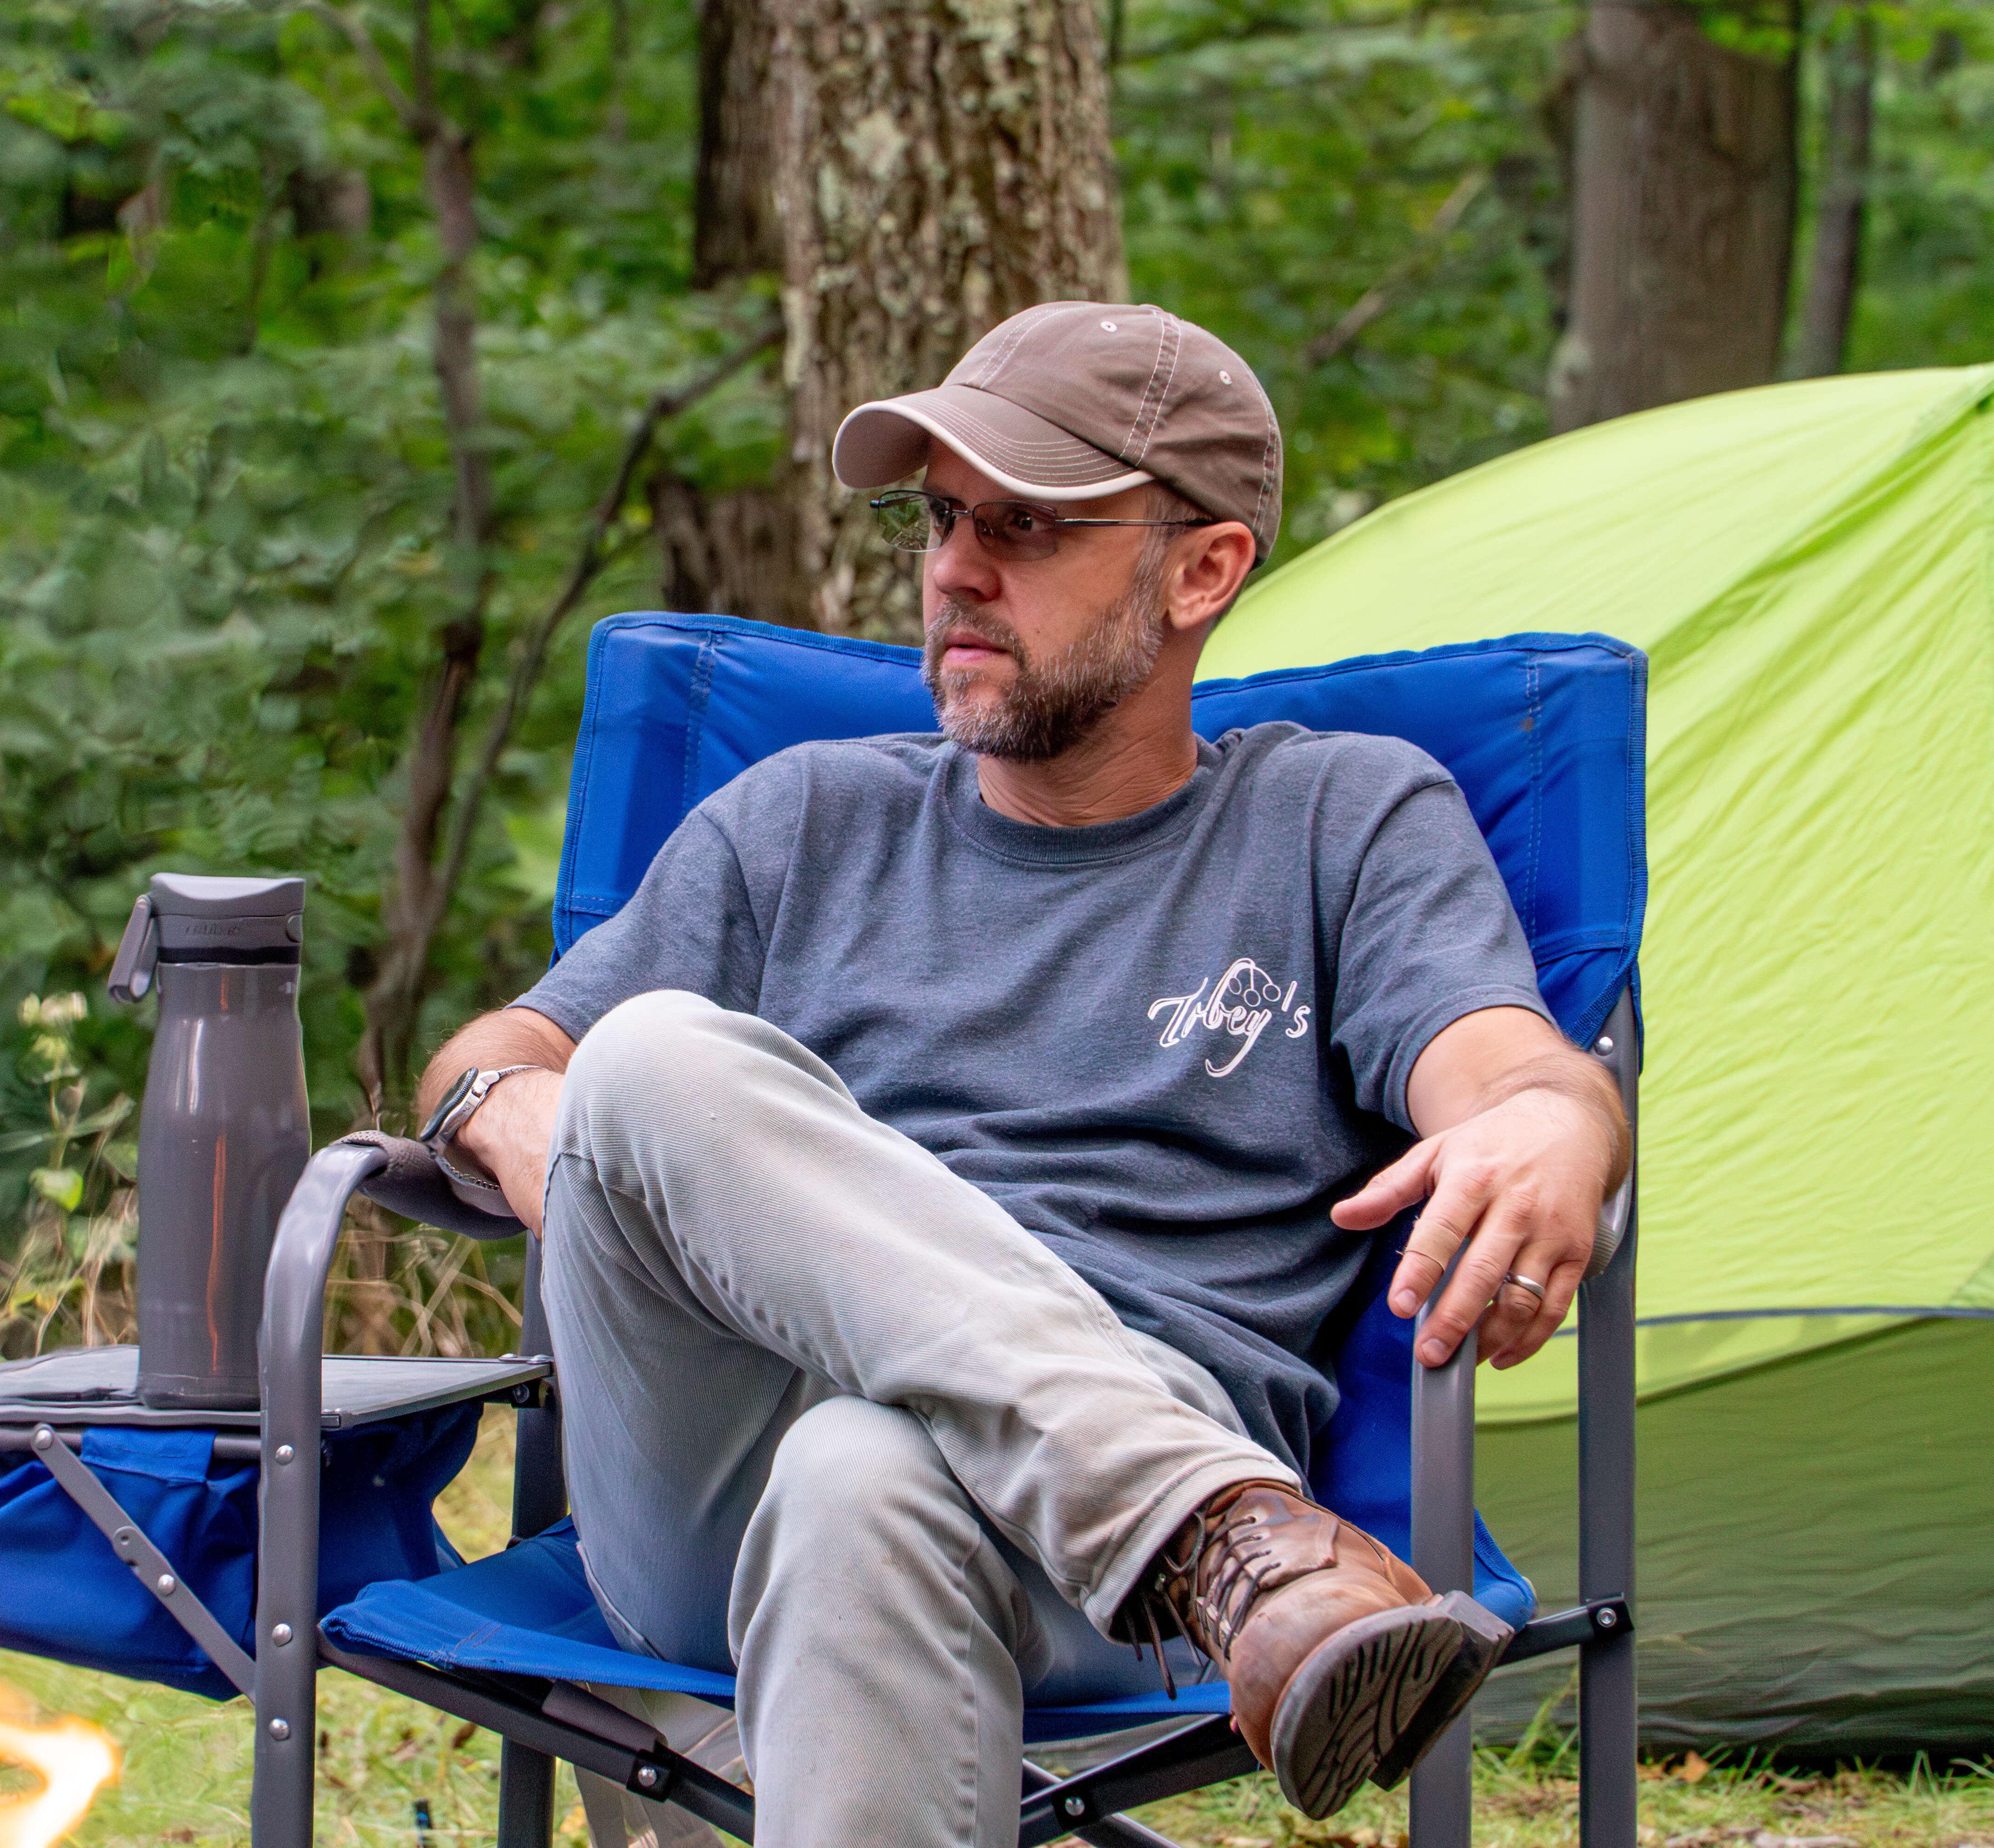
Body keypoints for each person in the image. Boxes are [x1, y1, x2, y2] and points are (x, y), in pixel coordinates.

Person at [410, 302, 1632, 1848]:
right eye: (942, 518)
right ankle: (1219, 1535)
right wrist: (498, 1104)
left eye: (1031, 525)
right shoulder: (803, 823)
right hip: (718, 1480)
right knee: (645, 1058)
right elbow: (502, 1048)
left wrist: (1557, 1126)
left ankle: (1181, 1519)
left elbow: (1509, 1068)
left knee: (862, 1472)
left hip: (1070, 1531)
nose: (954, 569)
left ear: (1205, 570)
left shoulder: (1343, 820)